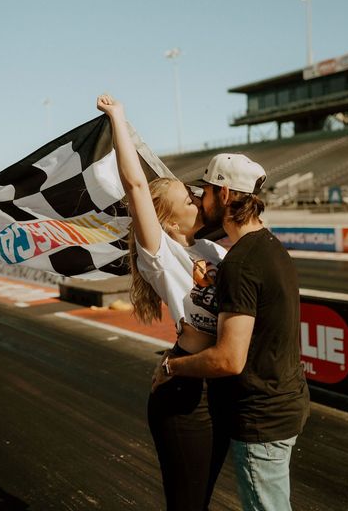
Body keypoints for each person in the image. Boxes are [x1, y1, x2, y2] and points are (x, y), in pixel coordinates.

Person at [152, 153, 310, 511]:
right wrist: (218, 279)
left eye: (204, 191)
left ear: (223, 194)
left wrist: (171, 367)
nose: (199, 199)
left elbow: (228, 359)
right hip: (285, 402)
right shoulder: (266, 247)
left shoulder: (240, 262)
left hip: (261, 417)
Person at [96, 94, 230, 511]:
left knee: (202, 498)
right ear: (168, 221)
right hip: (183, 391)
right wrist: (118, 118)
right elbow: (136, 185)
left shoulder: (212, 248)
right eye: (188, 199)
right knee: (187, 503)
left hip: (223, 384)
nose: (196, 199)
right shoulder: (161, 255)